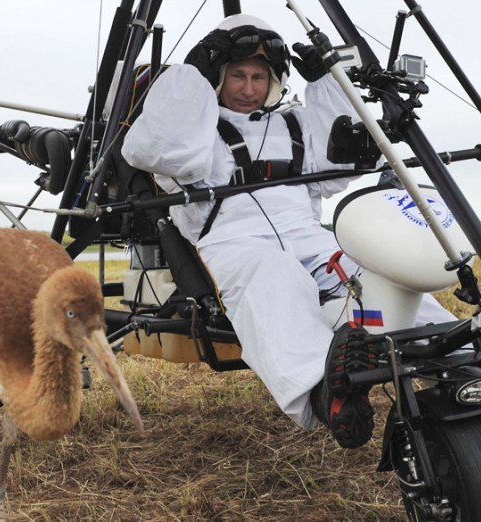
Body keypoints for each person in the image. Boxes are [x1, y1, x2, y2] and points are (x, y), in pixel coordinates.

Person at [122, 14, 457, 448]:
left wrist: (327, 86)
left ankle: (457, 358)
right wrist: (190, 78)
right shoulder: (193, 130)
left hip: (308, 236)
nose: (247, 88)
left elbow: (339, 167)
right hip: (233, 243)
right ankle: (328, 389)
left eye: (258, 76)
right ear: (217, 77)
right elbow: (153, 151)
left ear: (274, 79)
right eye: (236, 75)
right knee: (274, 274)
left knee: (369, 271)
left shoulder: (293, 123)